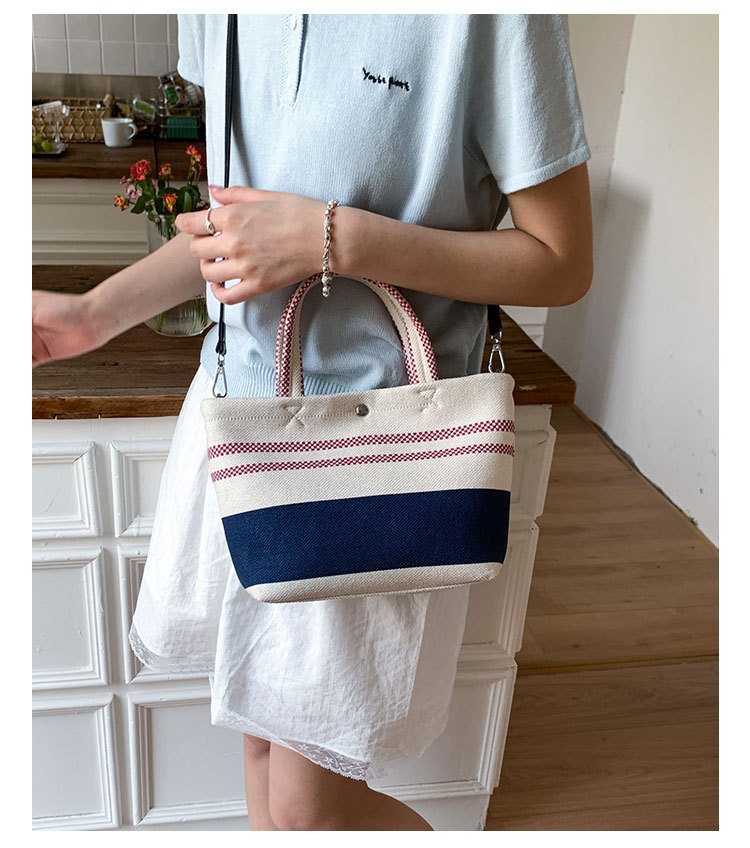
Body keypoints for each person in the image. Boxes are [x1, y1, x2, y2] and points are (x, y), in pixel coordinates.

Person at [32, 13, 593, 831]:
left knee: (306, 813)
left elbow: (562, 261)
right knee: (262, 754)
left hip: (377, 454)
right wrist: (92, 316)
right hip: (243, 432)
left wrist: (336, 238)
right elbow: (240, 232)